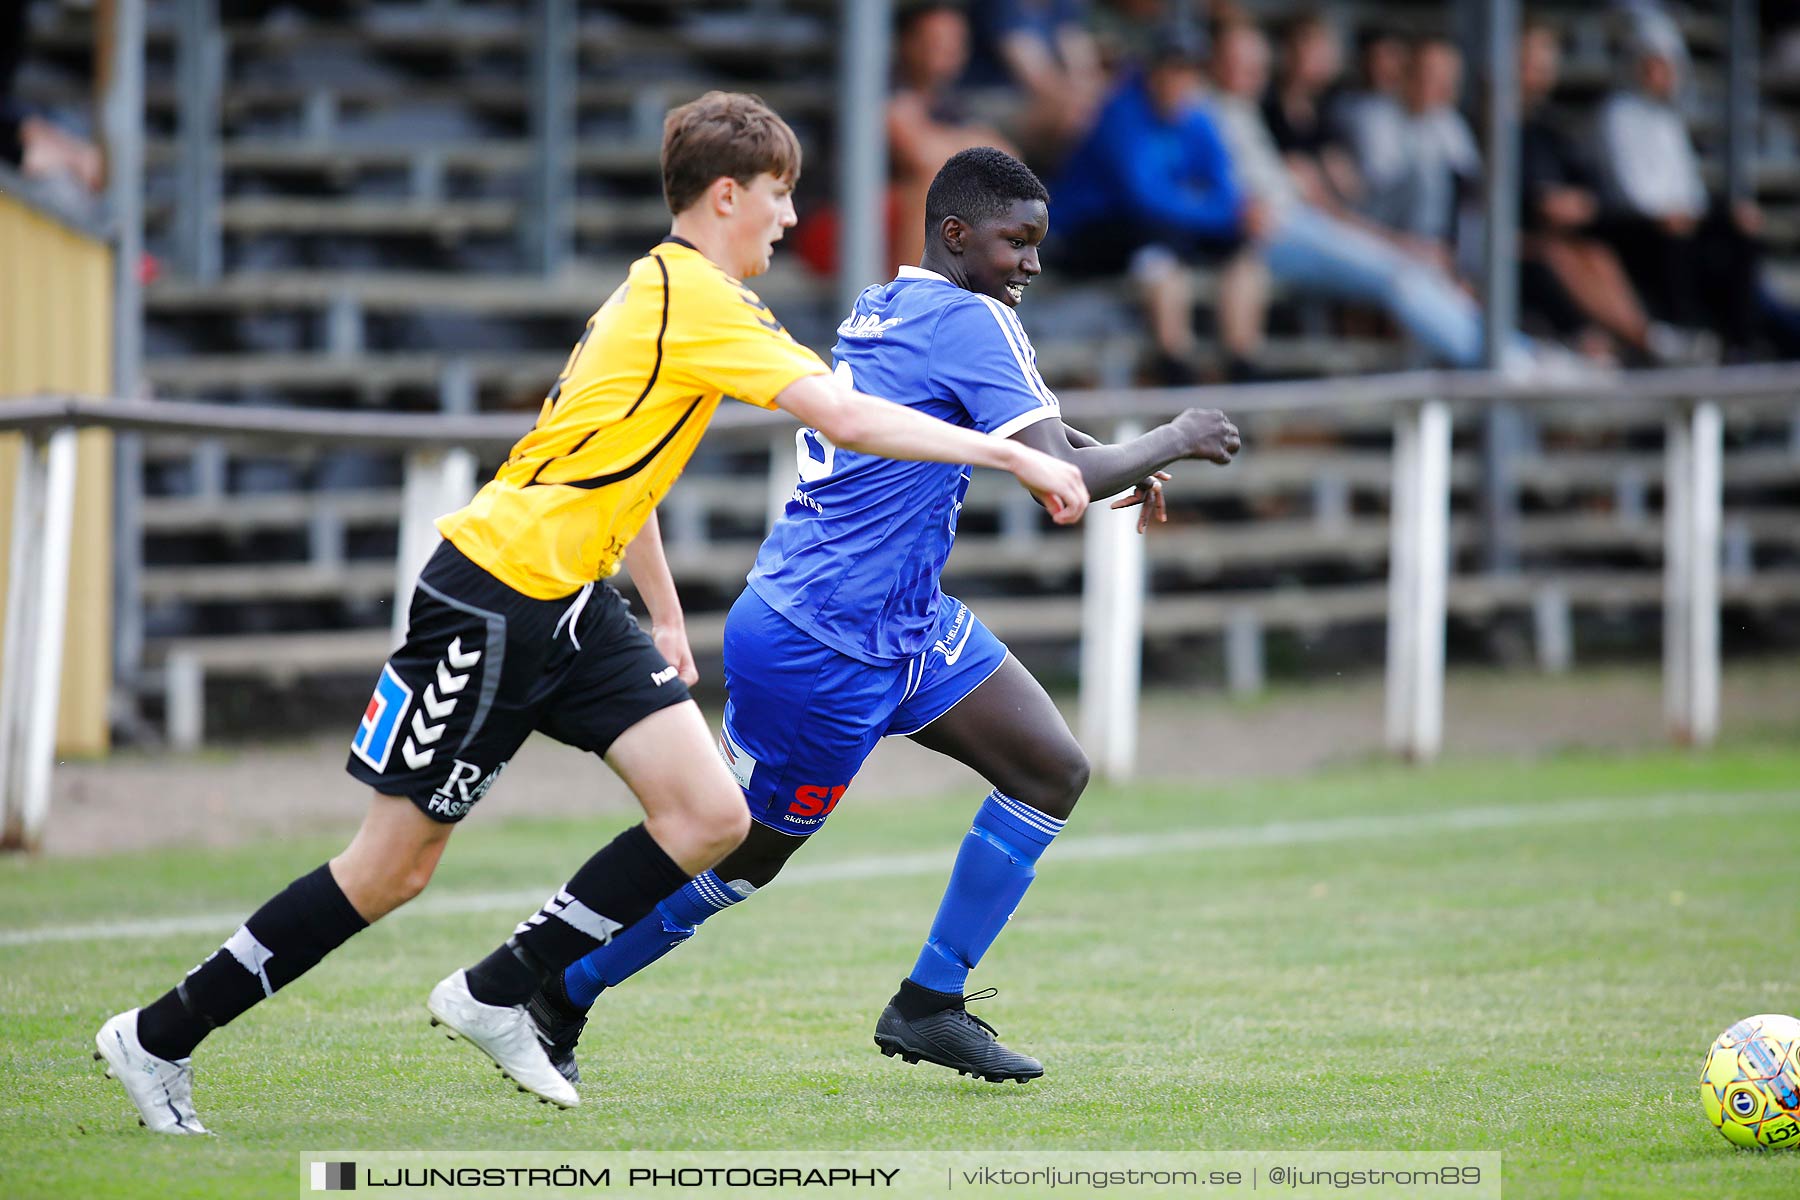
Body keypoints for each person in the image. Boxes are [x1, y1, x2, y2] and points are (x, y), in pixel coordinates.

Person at [92, 94, 1088, 1134]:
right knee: (391, 870)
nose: (790, 223)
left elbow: (631, 465)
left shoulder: (660, 294)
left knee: (711, 817)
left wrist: (660, 613)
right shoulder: (696, 302)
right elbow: (843, 412)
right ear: (727, 194)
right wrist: (1012, 451)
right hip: (489, 595)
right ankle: (160, 1036)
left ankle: (502, 989)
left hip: (577, 602)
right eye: (782, 199)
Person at [526, 147, 1240, 1086]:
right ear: (955, 235)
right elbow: (1057, 487)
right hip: (822, 639)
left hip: (898, 620)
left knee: (1050, 769)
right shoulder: (975, 320)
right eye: (1015, 242)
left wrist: (1128, 457)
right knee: (742, 854)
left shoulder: (893, 302)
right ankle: (559, 992)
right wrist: (1178, 436)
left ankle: (929, 1004)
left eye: (1038, 244)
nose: (1031, 263)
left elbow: (1043, 448)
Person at [1052, 28, 1268, 382]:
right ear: (1152, 72)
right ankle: (1175, 363)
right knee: (1161, 251)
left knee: (1242, 248)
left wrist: (1232, 216)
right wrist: (1225, 214)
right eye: (1171, 69)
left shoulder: (1197, 116)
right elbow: (1144, 200)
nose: (1179, 80)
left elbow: (1227, 190)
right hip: (1088, 230)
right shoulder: (1120, 113)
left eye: (1188, 71)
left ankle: (1243, 363)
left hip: (1160, 225)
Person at [888, 2, 1021, 273]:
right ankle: (908, 303)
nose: (950, 50)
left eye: (957, 41)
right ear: (907, 43)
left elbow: (1009, 159)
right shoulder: (881, 89)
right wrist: (968, 142)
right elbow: (920, 155)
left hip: (905, 223)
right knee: (933, 187)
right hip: (847, 224)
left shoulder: (950, 101)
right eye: (937, 41)